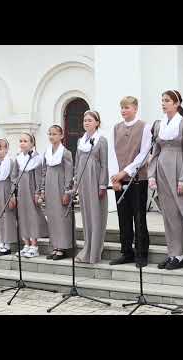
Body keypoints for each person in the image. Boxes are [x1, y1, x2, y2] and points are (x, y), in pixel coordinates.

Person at [148, 90, 183, 270]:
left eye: (167, 100)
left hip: (177, 170)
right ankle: (174, 253)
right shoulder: (160, 125)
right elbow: (155, 152)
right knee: (168, 215)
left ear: (177, 103)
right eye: (162, 100)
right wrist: (152, 174)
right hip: (162, 170)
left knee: (182, 213)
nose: (163, 103)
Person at [109, 96, 152, 267]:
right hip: (119, 180)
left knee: (139, 216)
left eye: (127, 107)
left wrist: (125, 172)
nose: (123, 110)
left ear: (135, 108)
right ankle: (126, 252)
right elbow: (112, 153)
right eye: (122, 108)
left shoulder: (144, 127)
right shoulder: (116, 128)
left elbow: (144, 154)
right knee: (123, 217)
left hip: (137, 179)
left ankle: (141, 253)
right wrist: (115, 177)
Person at [75, 110, 109, 264]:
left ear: (97, 122)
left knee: (96, 216)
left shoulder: (101, 140)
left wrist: (102, 184)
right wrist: (75, 183)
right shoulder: (80, 141)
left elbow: (104, 164)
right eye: (84, 120)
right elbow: (77, 164)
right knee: (86, 216)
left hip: (95, 181)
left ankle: (95, 251)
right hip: (83, 182)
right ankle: (87, 248)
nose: (86, 122)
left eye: (89, 120)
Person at [10, 132, 48, 258]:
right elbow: (14, 176)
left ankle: (34, 245)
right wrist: (13, 192)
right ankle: (26, 244)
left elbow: (40, 177)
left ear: (32, 144)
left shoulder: (37, 159)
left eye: (25, 141)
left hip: (32, 192)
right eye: (21, 141)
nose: (22, 143)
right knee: (23, 217)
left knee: (33, 217)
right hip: (21, 192)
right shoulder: (18, 158)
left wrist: (38, 192)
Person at [40, 125, 73, 261]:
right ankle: (55, 246)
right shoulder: (46, 152)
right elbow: (43, 172)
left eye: (54, 134)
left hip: (60, 188)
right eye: (50, 134)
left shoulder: (66, 153)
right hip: (49, 188)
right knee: (52, 217)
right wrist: (42, 189)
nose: (51, 136)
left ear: (61, 136)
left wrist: (67, 191)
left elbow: (69, 173)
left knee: (61, 217)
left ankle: (63, 247)